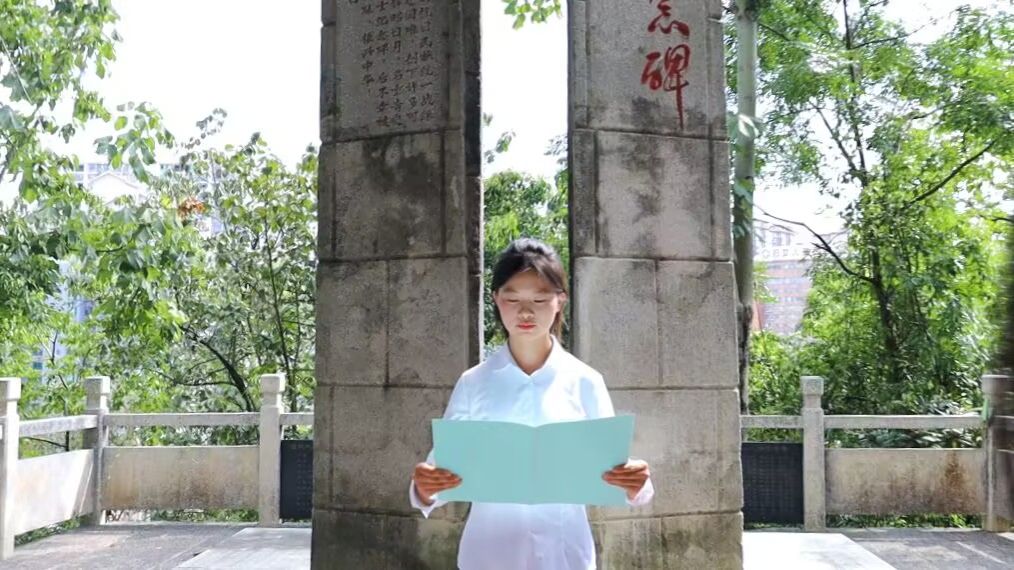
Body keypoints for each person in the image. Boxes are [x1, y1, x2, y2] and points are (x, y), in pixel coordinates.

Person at [409, 237, 654, 570]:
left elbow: (617, 471)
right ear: (496, 299)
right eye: (512, 299)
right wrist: (424, 488)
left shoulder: (585, 381)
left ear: (560, 300)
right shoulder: (473, 383)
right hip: (489, 554)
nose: (525, 312)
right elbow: (439, 473)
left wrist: (637, 483)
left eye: (539, 299)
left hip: (564, 554)